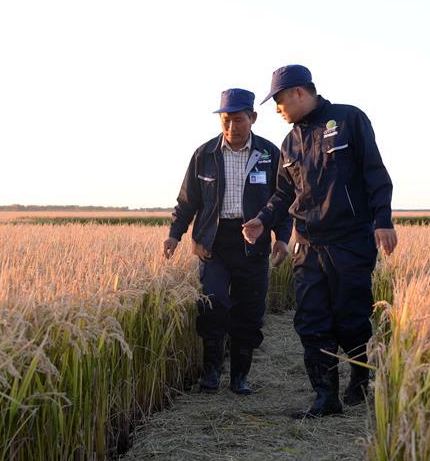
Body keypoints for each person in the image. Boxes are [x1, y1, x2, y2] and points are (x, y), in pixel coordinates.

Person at [242, 65, 397, 418]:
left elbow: (375, 172)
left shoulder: (349, 119)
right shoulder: (290, 142)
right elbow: (283, 194)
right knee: (310, 321)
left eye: (279, 101)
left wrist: (383, 221)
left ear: (299, 92)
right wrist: (261, 221)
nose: (277, 109)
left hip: (350, 241)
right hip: (308, 246)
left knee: (352, 319)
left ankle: (360, 376)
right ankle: (325, 397)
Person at [164, 88, 292, 395]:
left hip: (254, 244)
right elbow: (187, 201)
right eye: (226, 120)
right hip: (214, 244)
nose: (231, 127)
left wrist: (282, 238)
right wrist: (174, 234)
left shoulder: (269, 154)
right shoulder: (204, 155)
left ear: (253, 118)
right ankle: (211, 373)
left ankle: (239, 377)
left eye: (238, 119)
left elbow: (284, 200)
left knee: (249, 312)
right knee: (214, 304)